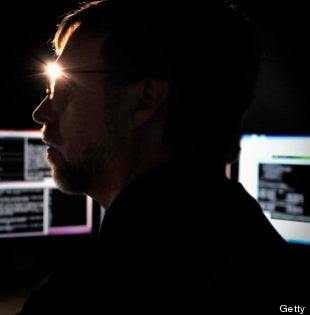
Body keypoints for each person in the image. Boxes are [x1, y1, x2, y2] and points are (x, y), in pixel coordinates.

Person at [17, 0, 307, 313]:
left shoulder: (86, 295)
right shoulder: (268, 259)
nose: (40, 113)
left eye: (61, 87)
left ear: (143, 100)